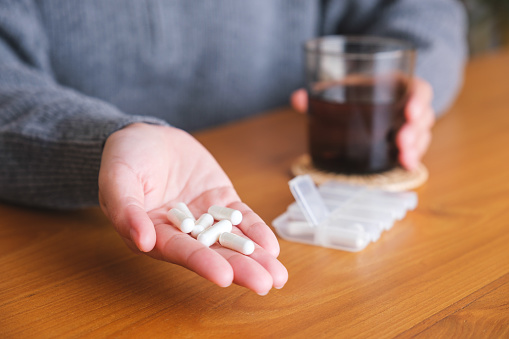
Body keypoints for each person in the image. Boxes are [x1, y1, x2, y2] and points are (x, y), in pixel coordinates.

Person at [0, 1, 467, 295]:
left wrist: (412, 74)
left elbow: (428, 9)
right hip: (61, 235)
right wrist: (103, 136)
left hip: (272, 167)